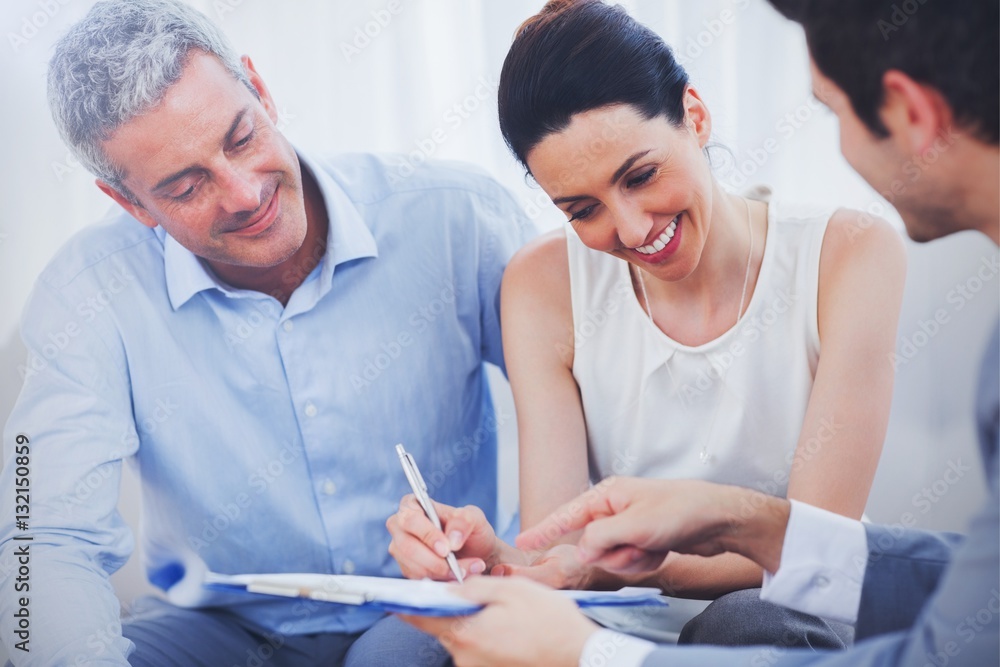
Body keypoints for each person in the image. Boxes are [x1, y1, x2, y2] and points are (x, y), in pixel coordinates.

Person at [400, 0, 1000, 664]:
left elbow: (824, 553)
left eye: (641, 175)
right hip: (612, 609)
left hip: (768, 619)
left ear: (696, 115)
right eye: (582, 209)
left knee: (747, 620)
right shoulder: (542, 280)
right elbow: (560, 548)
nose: (629, 229)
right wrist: (498, 558)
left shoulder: (848, 253)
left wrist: (633, 579)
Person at [0, 1, 532, 665]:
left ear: (260, 89)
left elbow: (587, 408)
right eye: (188, 185)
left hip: (425, 605)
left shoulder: (458, 217)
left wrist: (532, 563)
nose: (245, 193)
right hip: (212, 626)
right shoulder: (86, 293)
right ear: (132, 204)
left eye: (241, 137)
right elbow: (38, 536)